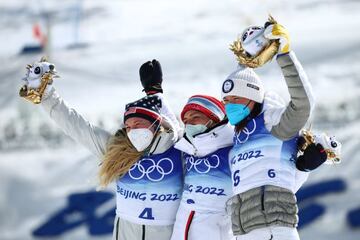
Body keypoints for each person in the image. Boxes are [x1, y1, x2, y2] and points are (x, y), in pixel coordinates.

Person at [21, 59, 183, 240]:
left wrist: (155, 91)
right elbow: (76, 126)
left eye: (138, 124)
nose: (132, 131)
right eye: (128, 126)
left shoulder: (179, 151)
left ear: (156, 123)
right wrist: (47, 96)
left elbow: (179, 129)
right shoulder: (119, 151)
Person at [222, 22, 316, 240]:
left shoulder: (273, 124)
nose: (229, 105)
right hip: (244, 233)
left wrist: (284, 55)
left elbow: (303, 105)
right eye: (226, 100)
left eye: (235, 98)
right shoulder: (237, 138)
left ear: (253, 97)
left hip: (275, 231)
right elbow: (283, 179)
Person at [170, 95, 235, 240]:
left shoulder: (234, 152)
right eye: (186, 121)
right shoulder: (187, 152)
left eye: (195, 117)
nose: (189, 124)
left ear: (214, 118)